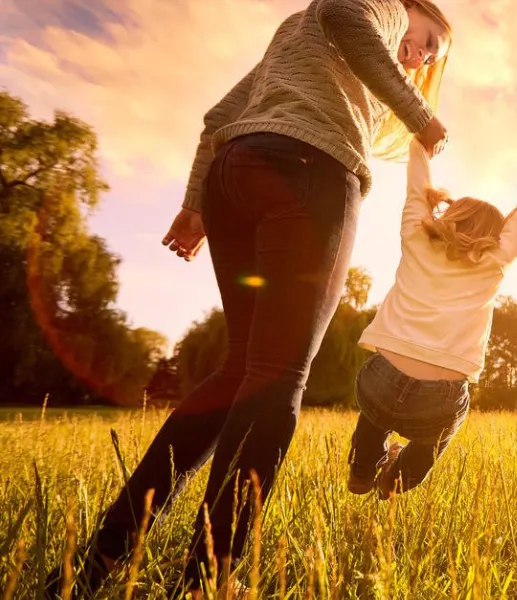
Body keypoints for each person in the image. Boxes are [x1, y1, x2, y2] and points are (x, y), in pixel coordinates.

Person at [46, 0, 454, 596]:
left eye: (427, 60)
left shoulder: (295, 37)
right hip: (309, 172)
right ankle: (207, 581)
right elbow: (347, 14)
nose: (417, 58)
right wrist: (420, 114)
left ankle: (98, 563)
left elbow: (219, 116)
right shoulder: (383, 7)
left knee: (240, 370)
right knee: (278, 376)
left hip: (233, 177)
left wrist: (194, 205)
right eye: (424, 41)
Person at [346, 139, 517, 500]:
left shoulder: (416, 236)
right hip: (439, 398)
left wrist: (421, 144)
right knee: (435, 437)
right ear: (495, 236)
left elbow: (417, 186)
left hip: (381, 380)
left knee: (375, 415)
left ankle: (363, 470)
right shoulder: (495, 260)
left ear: (450, 215)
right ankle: (396, 480)